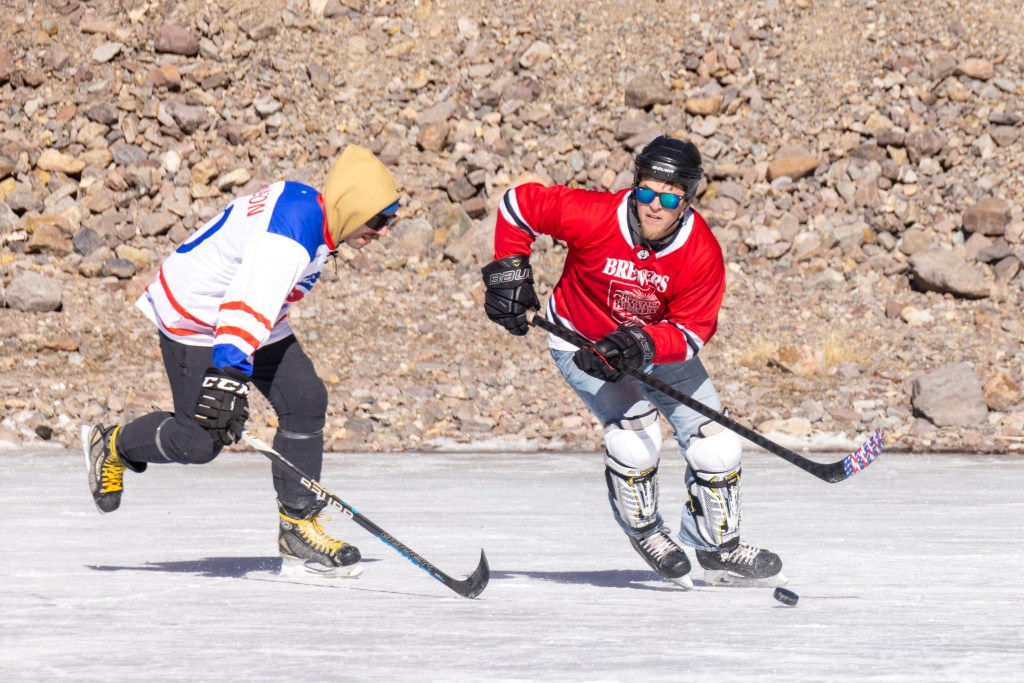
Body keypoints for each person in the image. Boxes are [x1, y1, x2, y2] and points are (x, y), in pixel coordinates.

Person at [82, 144, 400, 578]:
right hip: (197, 315)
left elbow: (258, 298)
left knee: (305, 399)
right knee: (200, 441)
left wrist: (233, 369)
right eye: (379, 220)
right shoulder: (290, 235)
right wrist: (228, 374)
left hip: (250, 315)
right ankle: (113, 444)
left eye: (390, 222)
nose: (383, 232)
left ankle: (297, 528)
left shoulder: (318, 217)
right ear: (352, 206)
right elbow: (246, 301)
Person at [481, 135, 785, 588]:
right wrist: (509, 273)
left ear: (687, 200)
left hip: (655, 346)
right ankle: (646, 532)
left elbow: (691, 332)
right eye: (646, 192)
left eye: (670, 197)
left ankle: (717, 546)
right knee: (635, 436)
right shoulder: (595, 215)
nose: (655, 206)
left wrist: (640, 344)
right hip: (581, 341)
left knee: (717, 444)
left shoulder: (701, 251)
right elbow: (517, 205)